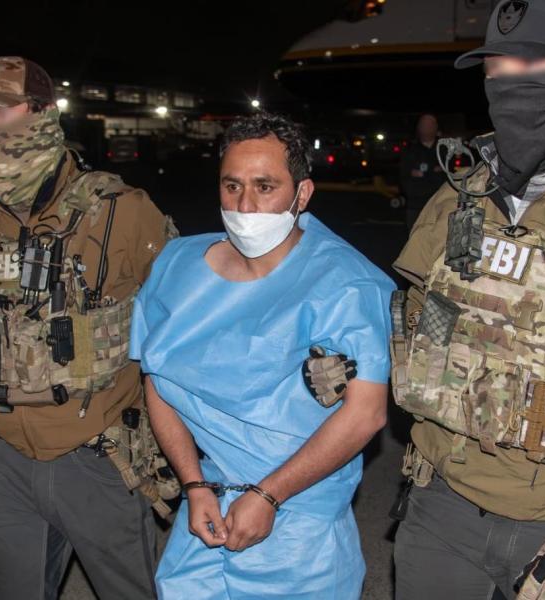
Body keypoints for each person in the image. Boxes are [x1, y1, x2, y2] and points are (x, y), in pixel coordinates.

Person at [307, 2, 545, 599]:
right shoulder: (459, 197)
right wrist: (357, 365)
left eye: (528, 64)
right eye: (496, 68)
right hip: (440, 505)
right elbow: (420, 322)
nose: (507, 82)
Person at [0, 56, 177, 599]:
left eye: (1, 112)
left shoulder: (121, 212)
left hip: (101, 456)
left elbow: (183, 324)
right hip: (5, 458)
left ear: (44, 113)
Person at [129, 112, 395, 599]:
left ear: (302, 193)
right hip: (210, 502)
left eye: (265, 186)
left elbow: (366, 414)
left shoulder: (347, 284)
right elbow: (158, 378)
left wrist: (270, 494)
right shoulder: (176, 266)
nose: (245, 205)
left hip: (300, 519)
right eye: (232, 186)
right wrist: (193, 484)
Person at [398, 113, 446, 228]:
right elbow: (403, 176)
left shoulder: (444, 149)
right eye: (423, 125)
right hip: (416, 206)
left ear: (436, 127)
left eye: (430, 125)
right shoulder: (410, 150)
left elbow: (451, 175)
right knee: (416, 235)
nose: (426, 128)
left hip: (440, 205)